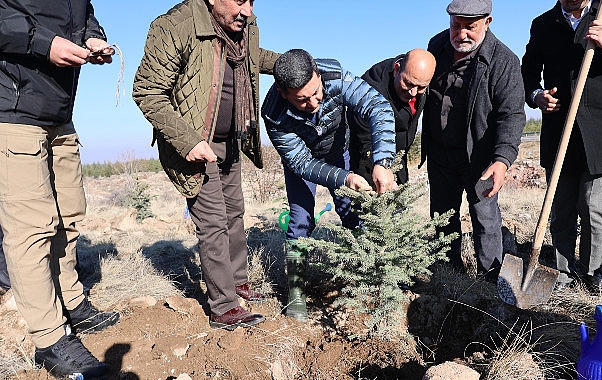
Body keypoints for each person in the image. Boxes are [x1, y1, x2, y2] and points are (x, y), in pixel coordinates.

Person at [133, 0, 279, 331]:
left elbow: (254, 57)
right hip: (194, 143)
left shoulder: (242, 26)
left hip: (231, 141)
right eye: (240, 0)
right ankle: (223, 307)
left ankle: (238, 284)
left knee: (234, 214)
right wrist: (189, 141)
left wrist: (287, 63)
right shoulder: (175, 26)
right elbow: (147, 91)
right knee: (212, 222)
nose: (248, 11)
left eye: (253, 2)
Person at [0, 1, 120, 377]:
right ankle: (50, 340)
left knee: (68, 215)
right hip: (13, 112)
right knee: (31, 229)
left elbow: (83, 14)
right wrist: (42, 42)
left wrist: (93, 38)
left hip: (59, 115)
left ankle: (72, 302)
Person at [261, 49, 397, 322]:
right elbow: (301, 164)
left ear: (318, 75)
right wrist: (344, 178)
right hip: (302, 164)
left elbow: (377, 106)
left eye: (316, 91)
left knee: (352, 213)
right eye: (302, 99)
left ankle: (362, 276)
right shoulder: (274, 114)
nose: (314, 102)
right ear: (283, 92)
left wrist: (382, 160)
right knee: (300, 221)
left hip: (339, 151)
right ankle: (297, 293)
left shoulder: (335, 76)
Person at [521, 0, 602, 291]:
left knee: (593, 208)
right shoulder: (544, 24)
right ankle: (560, 275)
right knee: (561, 209)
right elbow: (528, 70)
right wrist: (536, 95)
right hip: (560, 131)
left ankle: (592, 276)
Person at [421, 0, 526, 282]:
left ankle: (491, 279)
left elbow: (512, 115)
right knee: (442, 215)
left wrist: (502, 160)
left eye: (471, 27)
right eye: (456, 26)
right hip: (441, 152)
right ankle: (448, 274)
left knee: (485, 217)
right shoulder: (436, 46)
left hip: (480, 156)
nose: (462, 34)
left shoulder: (504, 61)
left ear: (487, 23)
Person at [349, 49, 436, 186]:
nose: (413, 93)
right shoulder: (368, 92)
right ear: (397, 70)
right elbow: (365, 142)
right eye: (408, 83)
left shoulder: (419, 77)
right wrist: (382, 169)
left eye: (421, 87)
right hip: (368, 161)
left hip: (400, 158)